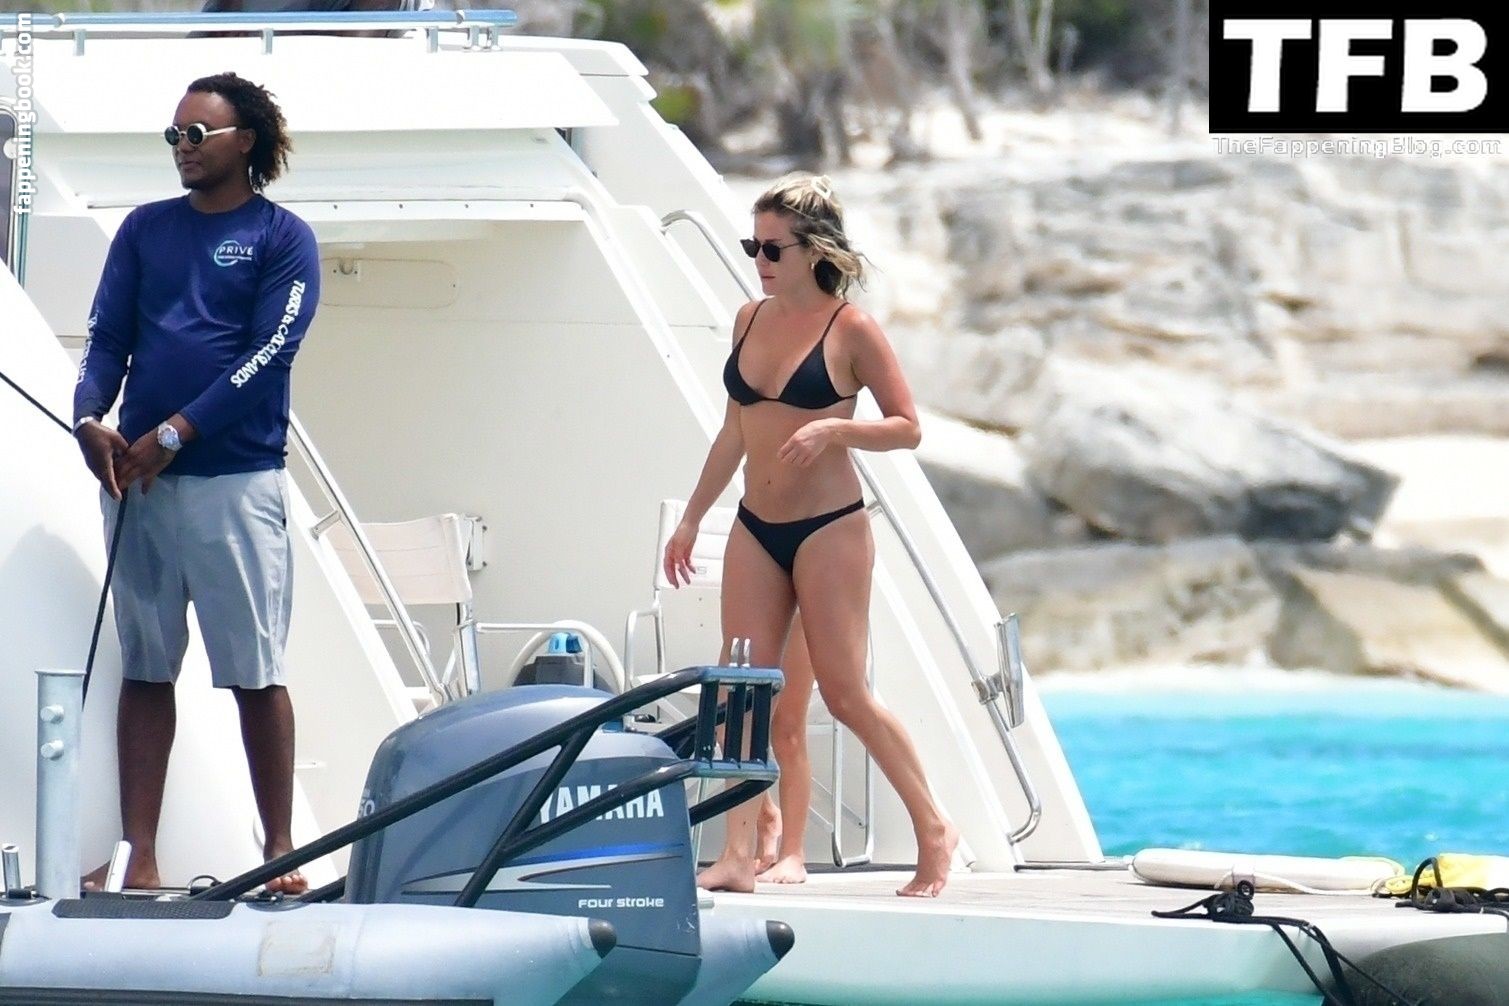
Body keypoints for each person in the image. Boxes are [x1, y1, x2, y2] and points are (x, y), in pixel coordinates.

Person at [664, 173, 958, 898]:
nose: (760, 260)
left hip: (830, 529)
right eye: (753, 246)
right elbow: (734, 430)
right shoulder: (748, 319)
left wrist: (834, 429)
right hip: (754, 526)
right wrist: (694, 516)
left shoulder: (850, 329)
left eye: (773, 248)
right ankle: (737, 854)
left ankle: (933, 828)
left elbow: (907, 428)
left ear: (814, 250)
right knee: (739, 692)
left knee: (846, 694)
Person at [73, 72, 319, 895]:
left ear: (244, 141)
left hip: (234, 482)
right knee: (146, 669)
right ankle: (138, 856)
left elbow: (268, 354)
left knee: (255, 672)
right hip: (138, 484)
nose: (183, 147)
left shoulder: (283, 237)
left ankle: (280, 851)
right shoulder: (144, 230)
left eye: (197, 134)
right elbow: (107, 337)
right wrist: (88, 418)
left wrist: (177, 432)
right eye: (174, 135)